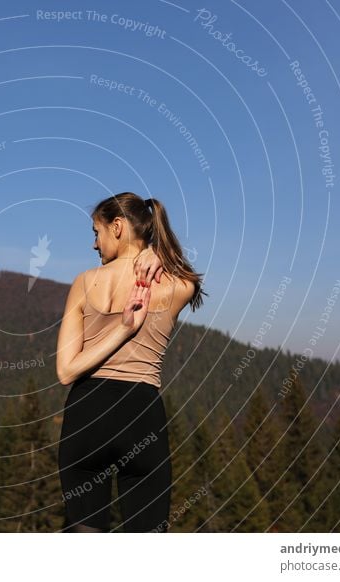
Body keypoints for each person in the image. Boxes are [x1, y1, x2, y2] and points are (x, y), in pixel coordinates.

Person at [55, 192, 206, 532]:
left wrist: (116, 332)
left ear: (118, 227)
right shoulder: (174, 284)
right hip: (141, 417)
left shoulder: (83, 282)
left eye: (97, 232)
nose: (95, 244)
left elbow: (66, 371)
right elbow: (194, 280)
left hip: (85, 418)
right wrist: (156, 253)